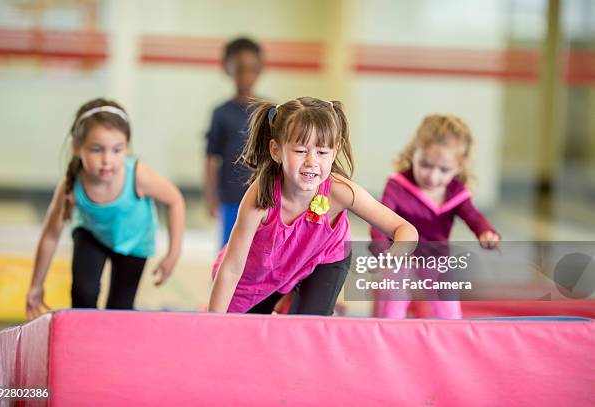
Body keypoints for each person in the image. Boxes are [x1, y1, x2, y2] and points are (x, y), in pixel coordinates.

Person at [208, 97, 418, 315]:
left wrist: (391, 259)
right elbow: (232, 268)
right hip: (261, 274)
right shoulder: (261, 197)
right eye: (300, 151)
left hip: (324, 259)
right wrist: (214, 323)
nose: (311, 161)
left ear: (334, 152)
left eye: (322, 152)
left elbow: (405, 230)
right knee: (243, 333)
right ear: (276, 150)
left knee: (306, 328)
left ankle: (299, 298)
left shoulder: (340, 191)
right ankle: (286, 298)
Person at [26, 98, 185, 319]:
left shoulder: (138, 176)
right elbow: (51, 234)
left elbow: (175, 200)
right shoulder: (71, 185)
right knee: (83, 293)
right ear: (77, 148)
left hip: (134, 242)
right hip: (93, 235)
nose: (107, 160)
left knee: (118, 312)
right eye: (96, 149)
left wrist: (173, 253)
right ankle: (80, 343)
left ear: (126, 147)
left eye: (117, 150)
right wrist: (36, 284)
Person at [370, 114, 500, 319]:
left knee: (447, 303)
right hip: (399, 254)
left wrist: (486, 233)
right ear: (414, 154)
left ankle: (449, 336)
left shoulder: (456, 193)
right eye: (426, 165)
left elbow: (474, 217)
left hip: (435, 257)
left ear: (459, 167)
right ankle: (389, 333)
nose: (433, 176)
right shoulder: (397, 185)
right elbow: (379, 220)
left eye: (444, 170)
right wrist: (381, 250)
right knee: (394, 294)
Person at [204, 37, 263, 246]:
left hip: (262, 197)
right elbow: (211, 157)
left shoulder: (270, 111)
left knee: (259, 252)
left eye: (251, 68)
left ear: (259, 69)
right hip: (230, 198)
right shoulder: (220, 113)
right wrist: (211, 197)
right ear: (228, 69)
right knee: (229, 251)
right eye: (239, 68)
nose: (245, 75)